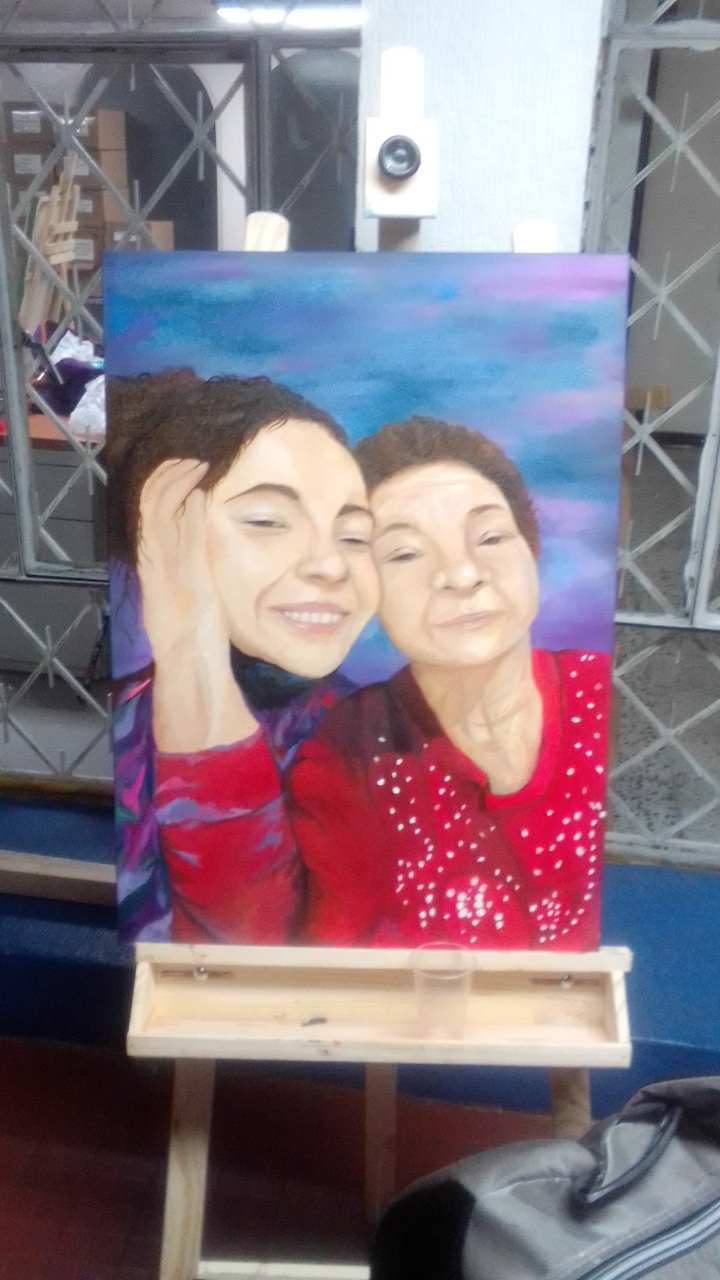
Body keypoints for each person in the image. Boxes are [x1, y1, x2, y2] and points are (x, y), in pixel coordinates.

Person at [158, 416, 609, 950]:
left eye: (490, 537)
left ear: (530, 550)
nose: (461, 575)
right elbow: (265, 946)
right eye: (405, 553)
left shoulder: (599, 692)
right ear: (366, 588)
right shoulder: (348, 757)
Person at [109, 370, 378, 940]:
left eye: (355, 535)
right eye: (267, 522)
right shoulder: (127, 733)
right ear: (163, 533)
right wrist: (191, 656)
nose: (331, 565)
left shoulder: (384, 743)